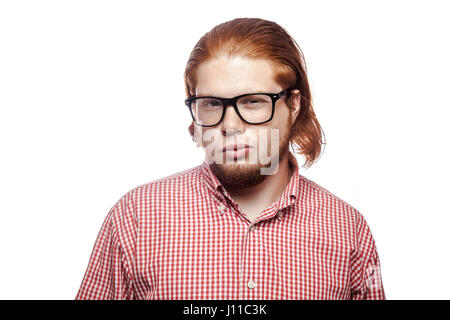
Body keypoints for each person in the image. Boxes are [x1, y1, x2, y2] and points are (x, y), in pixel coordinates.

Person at [75, 17, 385, 300]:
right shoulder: (135, 218)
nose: (230, 126)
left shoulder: (349, 230)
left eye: (252, 102)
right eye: (211, 104)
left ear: (293, 105)